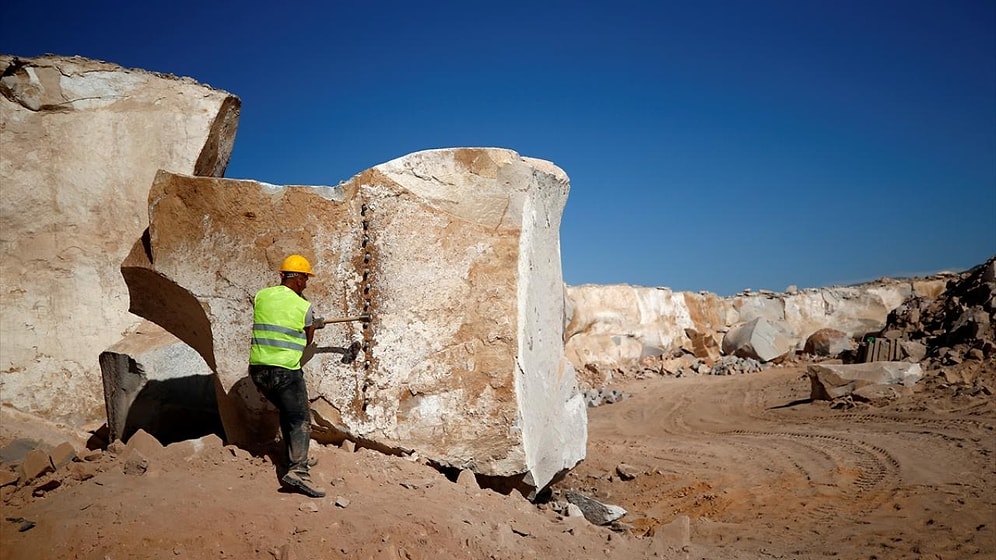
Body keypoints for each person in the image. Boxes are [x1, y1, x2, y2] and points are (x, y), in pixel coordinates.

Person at [248, 254, 328, 498]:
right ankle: (298, 472)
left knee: (287, 412)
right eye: (305, 279)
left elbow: (276, 315)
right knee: (300, 418)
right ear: (299, 279)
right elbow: (306, 340)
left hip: (258, 371)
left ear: (282, 275)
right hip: (284, 371)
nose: (306, 284)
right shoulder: (304, 307)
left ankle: (293, 456)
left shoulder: (262, 295)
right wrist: (312, 325)